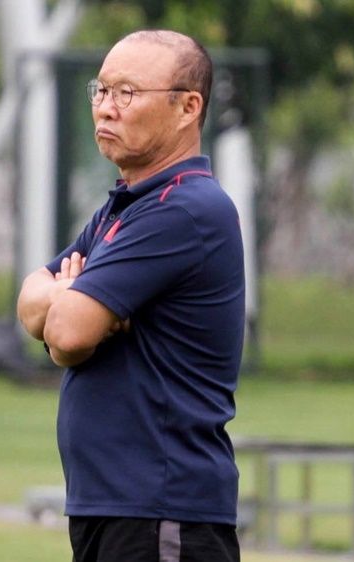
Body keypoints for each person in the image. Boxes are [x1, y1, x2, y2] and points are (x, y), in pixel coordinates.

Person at [16, 30, 245, 562]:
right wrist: (71, 303)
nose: (105, 108)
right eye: (101, 90)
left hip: (161, 513)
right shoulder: (127, 206)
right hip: (115, 509)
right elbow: (31, 299)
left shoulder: (184, 209)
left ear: (188, 107)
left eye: (127, 93)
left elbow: (68, 333)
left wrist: (69, 313)